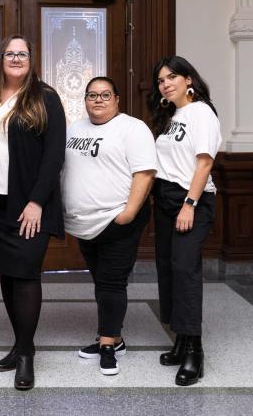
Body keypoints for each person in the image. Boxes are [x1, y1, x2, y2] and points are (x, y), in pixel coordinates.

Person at [0, 35, 66, 390]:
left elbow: (54, 155)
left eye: (22, 53)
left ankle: (25, 357)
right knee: (8, 275)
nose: (16, 58)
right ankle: (21, 343)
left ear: (31, 60)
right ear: (0, 59)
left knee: (25, 275)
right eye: (10, 53)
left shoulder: (45, 98)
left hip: (28, 205)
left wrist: (37, 201)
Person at [62, 77, 157, 376]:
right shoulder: (74, 129)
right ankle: (115, 337)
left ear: (117, 99)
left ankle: (107, 346)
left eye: (105, 95)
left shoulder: (133, 128)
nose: (98, 100)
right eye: (92, 95)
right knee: (102, 281)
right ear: (85, 100)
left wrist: (127, 214)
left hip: (117, 220)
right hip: (85, 224)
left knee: (112, 282)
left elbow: (145, 173)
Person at [147, 56, 221, 386]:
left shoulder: (202, 112)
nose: (165, 83)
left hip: (190, 199)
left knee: (185, 269)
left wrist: (189, 204)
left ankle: (195, 352)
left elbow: (204, 163)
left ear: (188, 79)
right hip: (164, 199)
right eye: (161, 80)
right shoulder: (172, 116)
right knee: (167, 267)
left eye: (172, 77)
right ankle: (179, 339)